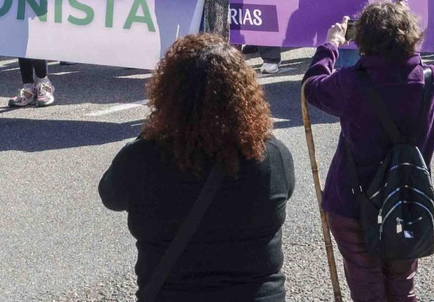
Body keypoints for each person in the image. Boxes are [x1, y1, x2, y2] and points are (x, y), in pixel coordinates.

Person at [98, 33, 295, 302]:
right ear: (245, 95)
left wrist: (149, 132)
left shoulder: (142, 156)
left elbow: (111, 196)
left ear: (166, 94)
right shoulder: (272, 155)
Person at [302, 1, 434, 302]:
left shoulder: (352, 82)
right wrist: (400, 16)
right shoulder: (433, 81)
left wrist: (331, 45)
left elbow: (312, 87)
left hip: (353, 203)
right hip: (408, 198)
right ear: (412, 36)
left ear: (363, 41)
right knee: (402, 284)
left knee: (367, 286)